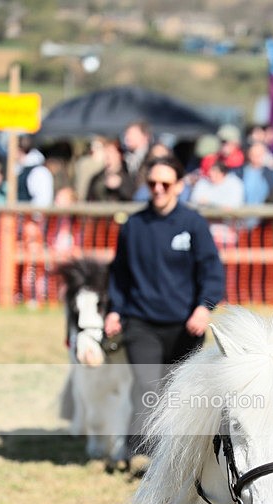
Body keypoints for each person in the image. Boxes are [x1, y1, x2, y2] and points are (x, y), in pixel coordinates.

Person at [104, 155, 226, 472]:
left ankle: (170, 454)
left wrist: (204, 307)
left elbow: (211, 271)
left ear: (180, 186)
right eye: (152, 183)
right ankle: (142, 452)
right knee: (147, 386)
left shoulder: (194, 225)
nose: (158, 189)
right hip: (141, 321)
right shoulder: (133, 225)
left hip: (185, 325)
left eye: (165, 183)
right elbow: (119, 275)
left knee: (176, 391)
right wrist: (114, 310)